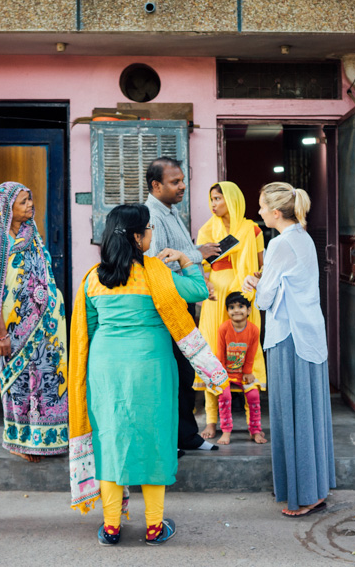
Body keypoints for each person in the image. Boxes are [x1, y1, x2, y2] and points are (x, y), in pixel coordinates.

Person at [67, 204, 227, 546]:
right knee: (155, 440)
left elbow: (88, 331)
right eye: (148, 229)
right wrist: (189, 262)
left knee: (109, 440)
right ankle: (154, 526)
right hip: (152, 367)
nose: (151, 234)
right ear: (138, 237)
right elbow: (199, 292)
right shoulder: (158, 273)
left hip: (105, 368)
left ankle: (111, 526)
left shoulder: (94, 278)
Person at [243, 183, 335, 518]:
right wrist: (265, 279)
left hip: (289, 337)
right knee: (309, 414)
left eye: (262, 206)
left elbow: (266, 298)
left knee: (291, 414)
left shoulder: (280, 244)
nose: (259, 212)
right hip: (308, 334)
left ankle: (304, 494)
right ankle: (313, 488)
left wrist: (255, 284)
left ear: (276, 212)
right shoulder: (302, 238)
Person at [0, 182, 68, 462]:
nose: (31, 205)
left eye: (30, 199)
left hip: (46, 325)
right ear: (7, 208)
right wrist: (0, 333)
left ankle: (44, 438)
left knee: (46, 379)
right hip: (14, 328)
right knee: (18, 383)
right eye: (23, 201)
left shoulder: (33, 234)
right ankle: (20, 442)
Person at [144, 157, 221, 452]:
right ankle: (172, 440)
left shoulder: (171, 210)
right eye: (175, 182)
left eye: (182, 180)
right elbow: (159, 262)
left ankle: (187, 436)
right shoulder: (152, 215)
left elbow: (178, 253)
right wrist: (197, 254)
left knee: (184, 371)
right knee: (170, 373)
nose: (182, 186)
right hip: (168, 305)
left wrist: (193, 253)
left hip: (181, 302)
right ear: (156, 185)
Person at [195, 182, 266, 441]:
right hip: (215, 302)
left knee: (247, 350)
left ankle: (254, 425)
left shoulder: (252, 229)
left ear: (232, 200)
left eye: (218, 199)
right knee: (213, 353)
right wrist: (207, 282)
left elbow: (261, 266)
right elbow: (198, 268)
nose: (213, 204)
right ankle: (212, 421)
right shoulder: (206, 230)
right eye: (211, 199)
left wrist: (254, 278)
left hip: (244, 299)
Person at [213, 292, 266, 445]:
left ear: (249, 310)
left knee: (254, 395)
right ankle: (226, 431)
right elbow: (220, 353)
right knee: (225, 396)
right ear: (227, 311)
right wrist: (222, 375)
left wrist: (248, 372)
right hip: (226, 373)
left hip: (243, 373)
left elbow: (251, 353)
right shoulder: (223, 329)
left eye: (241, 306)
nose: (236, 310)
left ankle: (255, 431)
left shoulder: (254, 330)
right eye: (232, 307)